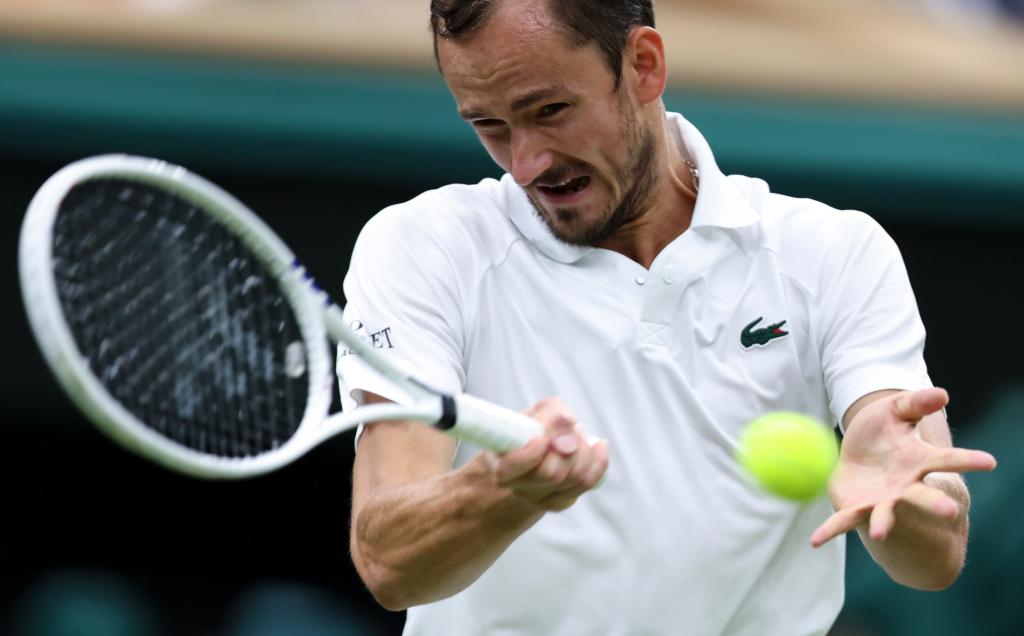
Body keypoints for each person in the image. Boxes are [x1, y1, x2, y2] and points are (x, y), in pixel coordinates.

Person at [337, 1, 997, 633]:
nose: (527, 161)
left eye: (550, 110)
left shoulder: (835, 253)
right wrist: (506, 490)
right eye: (489, 124)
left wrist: (901, 501)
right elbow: (388, 561)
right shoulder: (422, 247)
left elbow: (934, 559)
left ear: (644, 66)